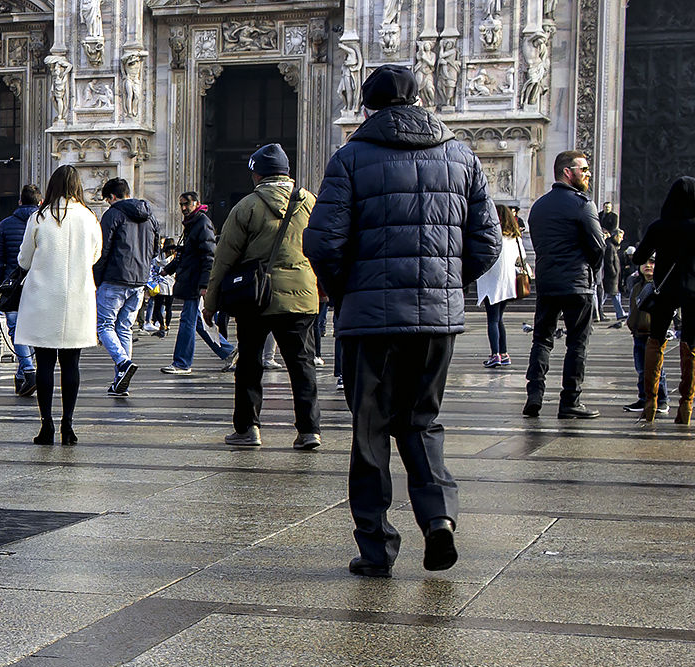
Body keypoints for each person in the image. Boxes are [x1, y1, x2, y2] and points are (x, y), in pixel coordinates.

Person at [303, 64, 500, 578]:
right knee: (422, 422)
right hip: (437, 321)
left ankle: (376, 548)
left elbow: (322, 242)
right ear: (420, 99)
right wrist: (445, 283)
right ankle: (438, 520)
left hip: (369, 323)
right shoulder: (462, 155)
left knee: (370, 431)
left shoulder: (349, 158)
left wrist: (350, 291)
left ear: (367, 106)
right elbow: (488, 243)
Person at [203, 143, 321, 449]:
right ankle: (309, 430)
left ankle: (248, 429)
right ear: (287, 172)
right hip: (301, 296)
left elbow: (224, 258)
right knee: (302, 364)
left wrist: (211, 301)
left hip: (257, 297)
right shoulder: (310, 202)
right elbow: (326, 245)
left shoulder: (247, 206)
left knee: (250, 364)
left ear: (256, 174)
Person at [14, 164, 102, 446]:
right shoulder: (90, 218)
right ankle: (68, 425)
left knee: (45, 364)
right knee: (71, 364)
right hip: (77, 297)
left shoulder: (39, 218)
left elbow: (24, 261)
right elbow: (95, 256)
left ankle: (46, 425)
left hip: (43, 298)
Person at [523, 150, 605, 419]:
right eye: (584, 170)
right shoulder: (583, 205)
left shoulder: (539, 206)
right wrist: (591, 271)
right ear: (567, 172)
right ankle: (570, 400)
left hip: (547, 282)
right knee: (577, 343)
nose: (588, 174)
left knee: (542, 340)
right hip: (577, 284)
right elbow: (597, 247)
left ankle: (534, 395)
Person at [632, 176, 695, 424]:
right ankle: (685, 409)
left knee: (655, 342)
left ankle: (651, 404)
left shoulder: (659, 226)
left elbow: (639, 258)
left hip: (665, 291)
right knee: (692, 345)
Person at [93, 177, 160, 397]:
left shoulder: (112, 214)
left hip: (114, 278)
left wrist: (96, 277)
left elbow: (102, 250)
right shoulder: (150, 216)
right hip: (138, 282)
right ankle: (121, 382)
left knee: (104, 325)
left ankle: (123, 364)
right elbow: (155, 249)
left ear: (112, 197)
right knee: (124, 328)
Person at [162, 191, 237, 374]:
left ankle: (182, 363)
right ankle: (228, 351)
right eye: (181, 204)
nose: (184, 208)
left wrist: (205, 285)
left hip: (195, 282)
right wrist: (168, 269)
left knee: (187, 320)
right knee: (196, 322)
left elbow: (209, 256)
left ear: (196, 203)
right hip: (190, 279)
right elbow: (187, 253)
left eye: (187, 204)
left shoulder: (202, 223)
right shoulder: (192, 224)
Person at [0, 184, 42, 395]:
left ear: (20, 201)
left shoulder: (5, 224)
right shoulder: (45, 223)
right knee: (36, 330)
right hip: (39, 283)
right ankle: (24, 373)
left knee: (16, 329)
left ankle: (27, 371)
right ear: (40, 202)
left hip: (12, 285)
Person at [476, 205, 523, 368]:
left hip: (492, 283)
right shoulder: (514, 238)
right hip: (508, 283)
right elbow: (521, 257)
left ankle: (495, 354)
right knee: (498, 319)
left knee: (492, 320)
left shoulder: (492, 236)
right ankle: (504, 353)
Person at [622, 256, 670, 415]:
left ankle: (661, 400)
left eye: (652, 262)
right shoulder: (637, 286)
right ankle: (644, 398)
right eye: (644, 263)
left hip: (653, 333)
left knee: (657, 369)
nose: (648, 266)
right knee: (641, 369)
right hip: (638, 333)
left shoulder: (661, 284)